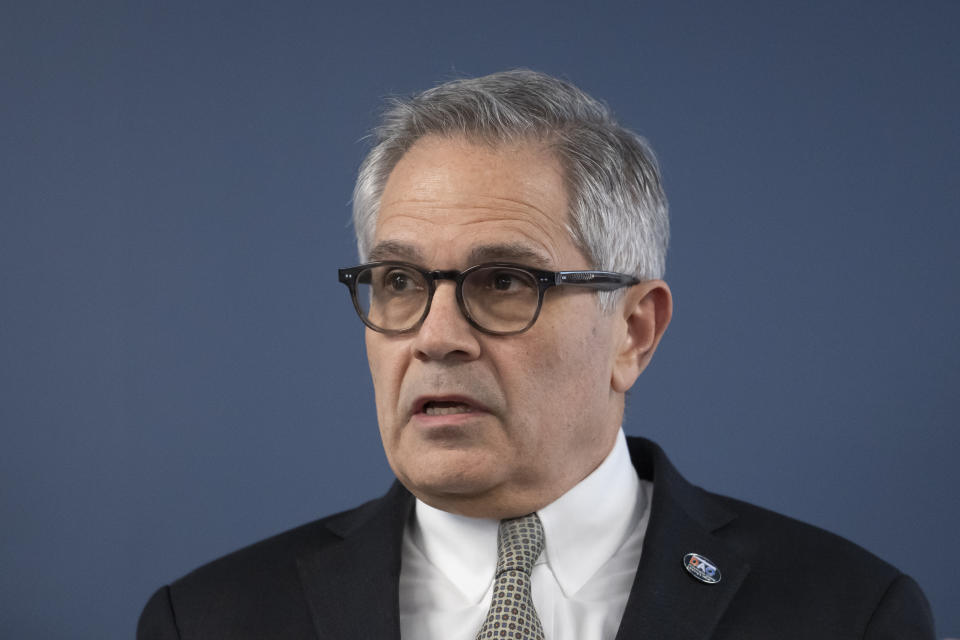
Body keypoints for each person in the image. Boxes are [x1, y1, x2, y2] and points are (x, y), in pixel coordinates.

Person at [137, 70, 935, 639]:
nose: (436, 335)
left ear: (633, 331)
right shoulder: (208, 619)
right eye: (400, 280)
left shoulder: (850, 612)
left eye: (505, 281)